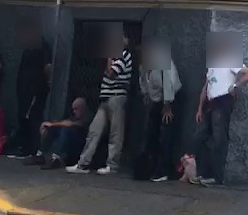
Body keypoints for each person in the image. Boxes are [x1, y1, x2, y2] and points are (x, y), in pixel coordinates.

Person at [67, 40, 132, 175]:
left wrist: (109, 58)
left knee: (115, 133)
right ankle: (83, 163)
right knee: (94, 130)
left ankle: (112, 165)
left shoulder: (124, 55)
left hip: (116, 97)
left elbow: (111, 72)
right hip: (105, 98)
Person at [195, 46, 248, 187]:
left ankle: (217, 177)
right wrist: (200, 108)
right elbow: (206, 87)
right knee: (200, 137)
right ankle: (203, 173)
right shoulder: (212, 67)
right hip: (210, 103)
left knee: (219, 138)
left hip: (223, 101)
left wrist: (235, 86)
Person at [8, 21, 52, 158]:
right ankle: (24, 147)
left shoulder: (42, 46)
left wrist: (47, 82)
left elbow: (48, 66)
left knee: (32, 118)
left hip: (35, 89)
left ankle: (33, 149)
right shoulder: (29, 48)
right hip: (24, 90)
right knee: (23, 117)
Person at [140, 42, 182, 184]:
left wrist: (167, 106)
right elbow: (143, 81)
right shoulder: (144, 66)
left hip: (170, 99)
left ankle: (163, 171)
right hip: (157, 100)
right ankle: (151, 166)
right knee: (152, 132)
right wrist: (145, 94)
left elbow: (168, 83)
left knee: (165, 135)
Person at [37, 98, 90, 167]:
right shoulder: (75, 117)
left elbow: (69, 124)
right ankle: (40, 154)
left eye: (77, 109)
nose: (74, 111)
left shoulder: (88, 118)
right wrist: (49, 125)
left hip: (81, 148)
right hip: (72, 148)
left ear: (83, 108)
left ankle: (56, 158)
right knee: (54, 128)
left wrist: (52, 124)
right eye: (73, 109)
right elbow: (65, 122)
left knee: (65, 130)